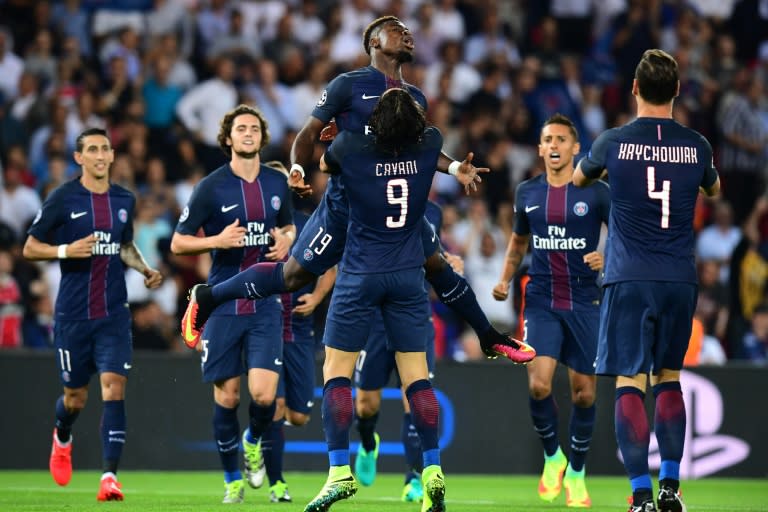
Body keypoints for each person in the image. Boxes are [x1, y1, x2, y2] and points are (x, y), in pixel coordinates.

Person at [180, 15, 535, 365]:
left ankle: (488, 337)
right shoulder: (347, 85)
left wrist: (456, 167)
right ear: (375, 42)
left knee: (436, 264)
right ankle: (209, 297)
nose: (407, 34)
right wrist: (299, 168)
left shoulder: (416, 98)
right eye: (397, 30)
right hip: (345, 206)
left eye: (408, 30)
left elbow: (422, 147)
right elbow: (308, 134)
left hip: (393, 209)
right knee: (292, 277)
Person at [573, 49, 720, 512]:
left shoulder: (613, 141)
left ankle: (640, 495)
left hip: (628, 276)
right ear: (677, 91)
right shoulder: (696, 145)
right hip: (678, 276)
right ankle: (671, 488)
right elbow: (713, 188)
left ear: (634, 89)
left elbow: (579, 180)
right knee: (669, 378)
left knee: (629, 383)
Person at [304, 87, 446, 512]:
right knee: (417, 381)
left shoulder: (349, 147)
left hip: (361, 273)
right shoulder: (430, 145)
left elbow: (324, 164)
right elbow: (428, 140)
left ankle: (338, 472)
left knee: (336, 373)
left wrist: (339, 132)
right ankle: (433, 469)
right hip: (407, 277)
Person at [22, 127, 163, 501]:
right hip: (72, 316)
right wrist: (67, 251)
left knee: (114, 389)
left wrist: (145, 269)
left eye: (105, 149)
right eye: (92, 150)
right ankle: (62, 434)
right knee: (75, 398)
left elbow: (124, 244)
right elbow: (30, 247)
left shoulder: (124, 199)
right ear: (79, 157)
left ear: (113, 156)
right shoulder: (63, 198)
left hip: (114, 315)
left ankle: (109, 477)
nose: (100, 156)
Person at [170, 104, 297, 504]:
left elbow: (290, 225)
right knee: (227, 396)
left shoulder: (277, 183)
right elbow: (178, 242)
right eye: (240, 128)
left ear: (262, 137)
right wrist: (215, 241)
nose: (247, 134)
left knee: (264, 396)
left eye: (254, 129)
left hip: (265, 305)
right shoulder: (211, 186)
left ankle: (253, 442)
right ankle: (231, 481)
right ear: (227, 138)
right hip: (224, 304)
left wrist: (288, 239)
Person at [492, 113, 610, 507]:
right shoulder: (527, 192)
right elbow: (517, 243)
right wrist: (505, 279)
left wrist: (605, 259)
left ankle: (576, 472)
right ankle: (552, 456)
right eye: (548, 139)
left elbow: (625, 237)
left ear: (577, 148)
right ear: (540, 148)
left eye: (562, 139)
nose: (555, 145)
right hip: (541, 297)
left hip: (585, 301)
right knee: (539, 383)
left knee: (583, 394)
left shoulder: (597, 192)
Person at [353, 199, 452, 503]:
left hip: (414, 316)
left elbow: (432, 252)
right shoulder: (372, 200)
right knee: (365, 405)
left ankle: (414, 478)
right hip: (374, 320)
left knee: (416, 398)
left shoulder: (433, 211)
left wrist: (448, 262)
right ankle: (369, 444)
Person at [260, 161, 338, 504]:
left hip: (299, 327)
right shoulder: (256, 223)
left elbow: (331, 266)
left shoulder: (308, 222)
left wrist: (318, 296)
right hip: (266, 324)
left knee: (299, 415)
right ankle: (277, 483)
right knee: (274, 404)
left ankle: (258, 433)